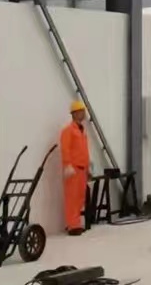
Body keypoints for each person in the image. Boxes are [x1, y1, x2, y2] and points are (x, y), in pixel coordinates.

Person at [58, 100, 90, 236]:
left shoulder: (82, 131)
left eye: (83, 111)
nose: (83, 113)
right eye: (81, 111)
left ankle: (76, 223)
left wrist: (88, 169)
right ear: (74, 113)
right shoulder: (68, 131)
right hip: (73, 169)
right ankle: (72, 225)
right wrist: (67, 165)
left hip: (82, 169)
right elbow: (65, 149)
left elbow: (84, 151)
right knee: (72, 197)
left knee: (80, 198)